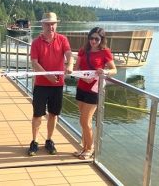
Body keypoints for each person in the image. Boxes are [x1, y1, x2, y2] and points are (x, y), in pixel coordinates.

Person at [28, 12, 73, 156]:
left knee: (54, 114)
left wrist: (70, 65)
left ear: (56, 25)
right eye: (47, 24)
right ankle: (34, 142)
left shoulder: (62, 39)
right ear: (42, 25)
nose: (50, 26)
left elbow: (69, 54)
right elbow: (34, 62)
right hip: (41, 84)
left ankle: (49, 140)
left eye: (52, 24)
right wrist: (47, 76)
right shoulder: (36, 42)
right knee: (37, 115)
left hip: (57, 85)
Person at [73, 27, 117, 159]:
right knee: (83, 121)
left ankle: (90, 148)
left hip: (94, 90)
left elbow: (114, 70)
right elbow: (76, 69)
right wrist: (82, 77)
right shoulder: (83, 50)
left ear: (101, 39)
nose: (93, 41)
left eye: (96, 39)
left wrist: (105, 72)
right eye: (91, 38)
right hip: (81, 88)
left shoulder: (105, 52)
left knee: (85, 120)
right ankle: (84, 146)